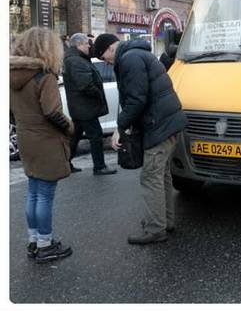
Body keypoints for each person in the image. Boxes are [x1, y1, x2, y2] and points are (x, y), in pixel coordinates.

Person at [92, 35, 187, 245]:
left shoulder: (129, 59)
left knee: (150, 176)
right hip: (169, 122)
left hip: (159, 124)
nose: (106, 62)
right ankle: (165, 221)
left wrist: (120, 127)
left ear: (110, 49)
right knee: (161, 175)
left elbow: (136, 99)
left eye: (103, 57)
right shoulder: (139, 53)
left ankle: (155, 229)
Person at [10, 27, 75, 263]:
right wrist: (70, 128)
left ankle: (34, 242)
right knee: (45, 195)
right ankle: (46, 245)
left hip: (26, 139)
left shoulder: (11, 75)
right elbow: (52, 112)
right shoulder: (45, 76)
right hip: (46, 142)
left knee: (34, 192)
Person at [63, 33, 117, 176]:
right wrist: (98, 94)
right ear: (79, 44)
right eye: (87, 43)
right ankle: (99, 167)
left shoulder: (76, 59)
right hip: (85, 108)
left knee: (75, 136)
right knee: (96, 136)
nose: (89, 46)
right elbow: (85, 85)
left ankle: (64, 164)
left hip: (80, 107)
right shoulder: (76, 61)